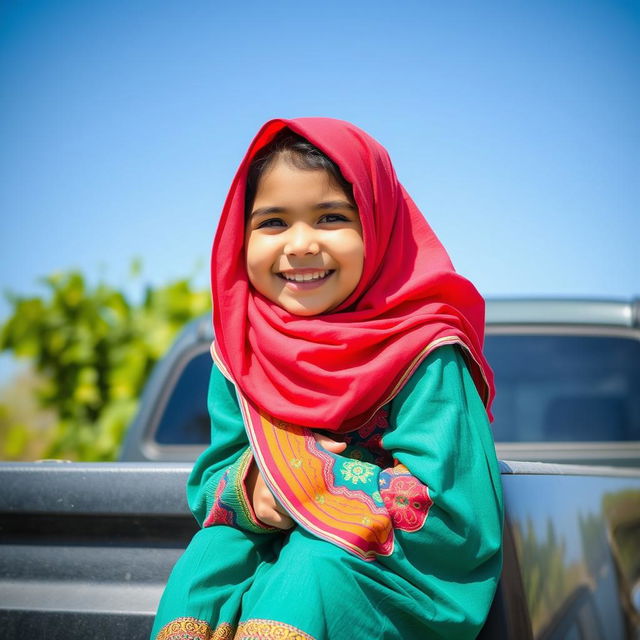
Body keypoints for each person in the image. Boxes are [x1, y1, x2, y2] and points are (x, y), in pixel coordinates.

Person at [151, 118, 503, 640]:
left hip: (400, 572)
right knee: (206, 563)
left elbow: (453, 515)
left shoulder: (425, 349)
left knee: (312, 573)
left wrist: (310, 484)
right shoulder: (240, 349)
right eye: (272, 222)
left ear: (379, 226)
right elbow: (211, 480)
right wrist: (253, 491)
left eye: (331, 217)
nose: (300, 245)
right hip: (271, 549)